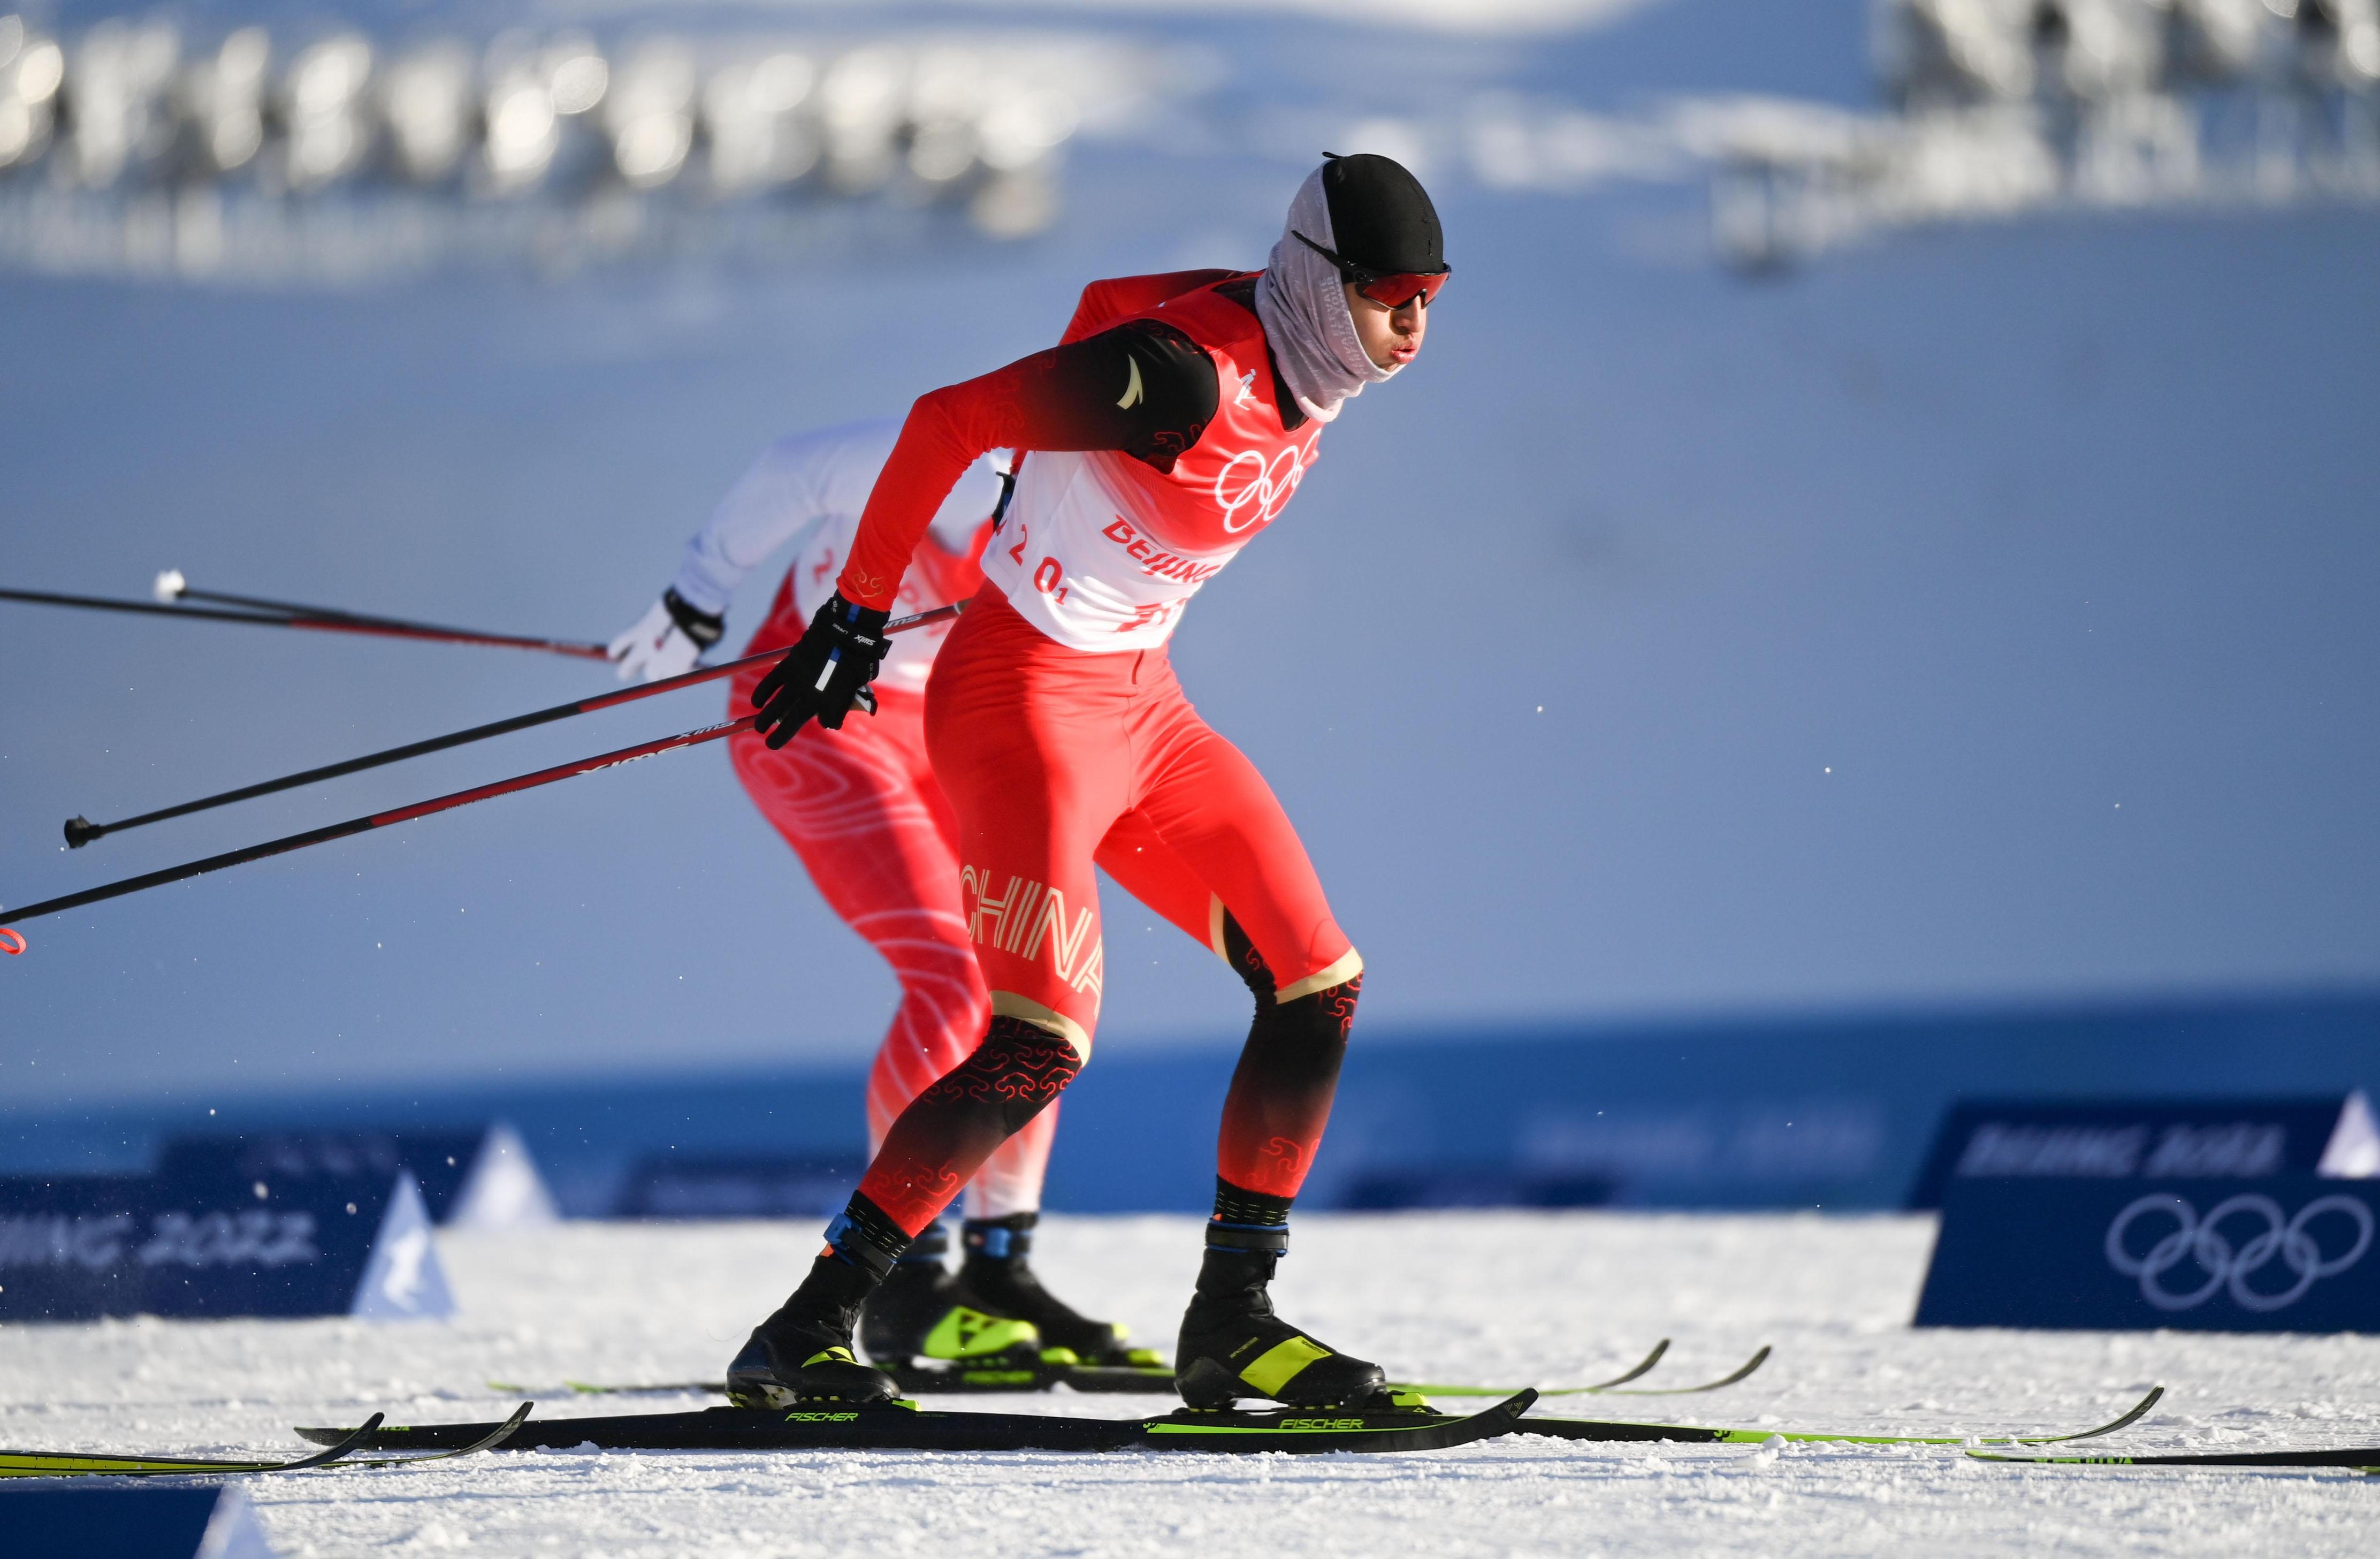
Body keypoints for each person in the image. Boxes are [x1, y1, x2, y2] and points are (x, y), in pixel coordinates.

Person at [721, 151, 1448, 1411]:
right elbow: (950, 416)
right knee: (1037, 1041)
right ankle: (807, 1328)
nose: (1415, 322)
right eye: (1394, 292)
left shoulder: (1303, 350)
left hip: (1140, 700)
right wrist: (855, 609)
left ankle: (1233, 1318)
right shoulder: (1178, 375)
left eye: (1433, 293)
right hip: (1019, 701)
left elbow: (1110, 289)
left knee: (1316, 980)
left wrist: (1043, 495)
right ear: (1323, 285)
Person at [609, 423, 1155, 1368]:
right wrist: (695, 601)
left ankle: (997, 1273)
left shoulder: (1098, 503)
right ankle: (906, 1284)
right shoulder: (925, 459)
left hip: (947, 727)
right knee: (950, 979)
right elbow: (785, 470)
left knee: (1031, 985)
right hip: (816, 712)